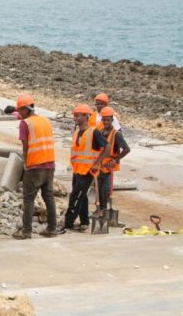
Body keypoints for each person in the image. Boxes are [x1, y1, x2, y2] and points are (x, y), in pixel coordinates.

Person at [11, 95, 57, 239]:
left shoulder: (26, 124)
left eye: (20, 110)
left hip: (35, 165)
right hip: (49, 163)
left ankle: (26, 231)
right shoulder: (45, 120)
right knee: (49, 197)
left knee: (29, 198)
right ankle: (51, 229)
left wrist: (26, 165)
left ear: (25, 109)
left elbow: (25, 146)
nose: (19, 113)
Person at [60, 104, 107, 233]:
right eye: (74, 115)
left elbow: (106, 147)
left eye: (77, 115)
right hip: (77, 169)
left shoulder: (94, 132)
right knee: (82, 196)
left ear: (86, 117)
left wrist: (97, 163)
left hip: (87, 170)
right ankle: (84, 221)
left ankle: (68, 223)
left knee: (75, 196)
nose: (75, 118)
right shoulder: (76, 132)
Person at [96, 106, 131, 211]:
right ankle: (101, 209)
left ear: (112, 120)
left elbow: (126, 149)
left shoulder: (116, 134)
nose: (106, 122)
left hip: (109, 167)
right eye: (104, 119)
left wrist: (115, 160)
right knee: (98, 189)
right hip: (100, 166)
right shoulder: (100, 132)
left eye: (108, 120)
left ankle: (103, 209)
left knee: (104, 190)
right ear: (101, 120)